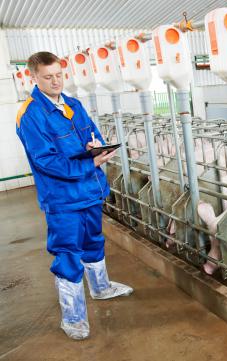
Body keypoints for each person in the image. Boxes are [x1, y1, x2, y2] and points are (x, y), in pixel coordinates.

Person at [15, 51, 133, 340]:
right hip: (63, 199)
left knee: (93, 241)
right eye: (48, 77)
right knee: (68, 252)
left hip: (89, 191)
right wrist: (90, 162)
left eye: (59, 75)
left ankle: (101, 288)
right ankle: (73, 317)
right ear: (34, 77)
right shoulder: (30, 115)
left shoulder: (73, 104)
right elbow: (46, 161)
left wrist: (99, 146)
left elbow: (91, 135)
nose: (56, 81)